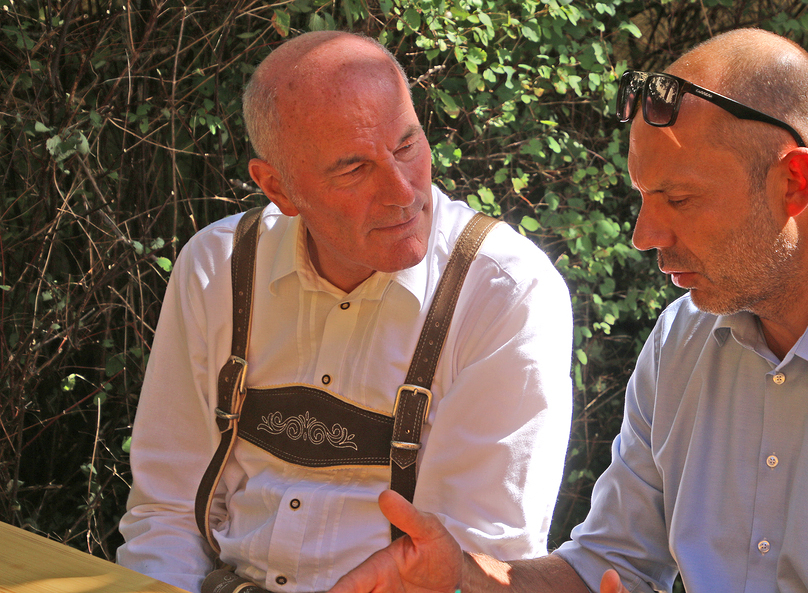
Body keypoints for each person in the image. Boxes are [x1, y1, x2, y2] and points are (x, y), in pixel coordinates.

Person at [327, 28, 808, 593]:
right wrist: (465, 577)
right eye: (643, 196)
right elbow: (606, 564)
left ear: (794, 183)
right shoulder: (685, 336)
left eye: (678, 200)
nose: (644, 235)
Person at [116, 31, 573, 593]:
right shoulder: (219, 268)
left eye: (407, 146)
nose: (402, 191)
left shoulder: (504, 294)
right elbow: (165, 514)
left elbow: (475, 566)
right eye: (355, 169)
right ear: (277, 187)